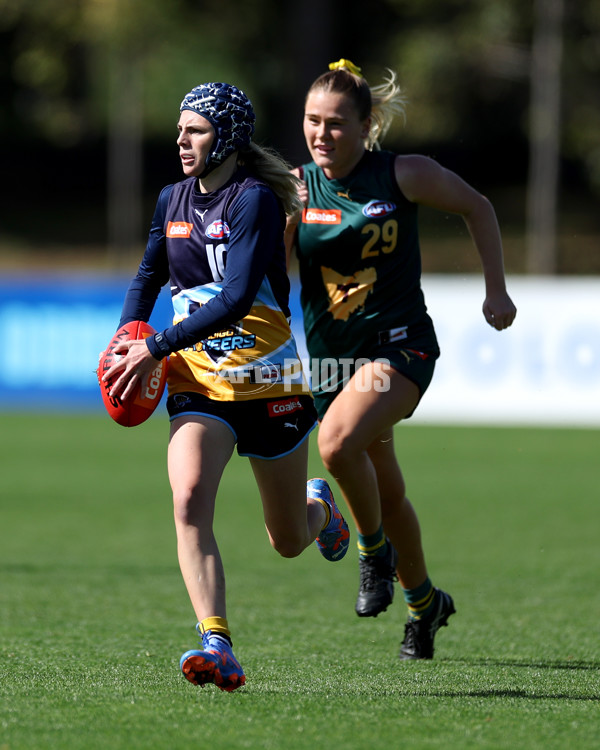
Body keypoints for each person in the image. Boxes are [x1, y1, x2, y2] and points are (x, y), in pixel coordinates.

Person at [102, 81, 350, 692]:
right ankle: (217, 641)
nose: (181, 140)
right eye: (181, 128)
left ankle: (320, 508)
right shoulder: (171, 200)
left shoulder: (255, 201)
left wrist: (155, 345)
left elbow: (238, 298)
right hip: (197, 381)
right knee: (189, 499)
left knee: (289, 540)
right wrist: (125, 336)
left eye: (197, 130)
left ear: (229, 138)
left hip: (270, 382)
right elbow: (147, 278)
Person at [285, 59, 517, 660]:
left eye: (336, 123)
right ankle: (424, 605)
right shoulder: (297, 190)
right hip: (333, 367)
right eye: (312, 121)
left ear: (367, 125)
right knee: (386, 491)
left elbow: (479, 206)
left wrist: (496, 287)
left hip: (401, 347)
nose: (321, 134)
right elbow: (261, 272)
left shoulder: (403, 174)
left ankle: (372, 555)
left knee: (336, 446)